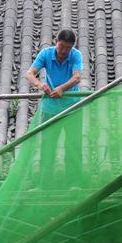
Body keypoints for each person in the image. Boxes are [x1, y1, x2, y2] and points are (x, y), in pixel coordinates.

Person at [25, 29, 84, 184]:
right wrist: (40, 84)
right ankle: (45, 183)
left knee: (74, 145)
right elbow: (30, 73)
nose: (63, 51)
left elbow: (77, 77)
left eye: (68, 48)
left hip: (72, 107)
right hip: (50, 108)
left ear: (72, 47)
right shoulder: (46, 53)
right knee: (48, 145)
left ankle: (74, 183)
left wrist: (62, 89)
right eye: (61, 46)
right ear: (55, 42)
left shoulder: (76, 55)